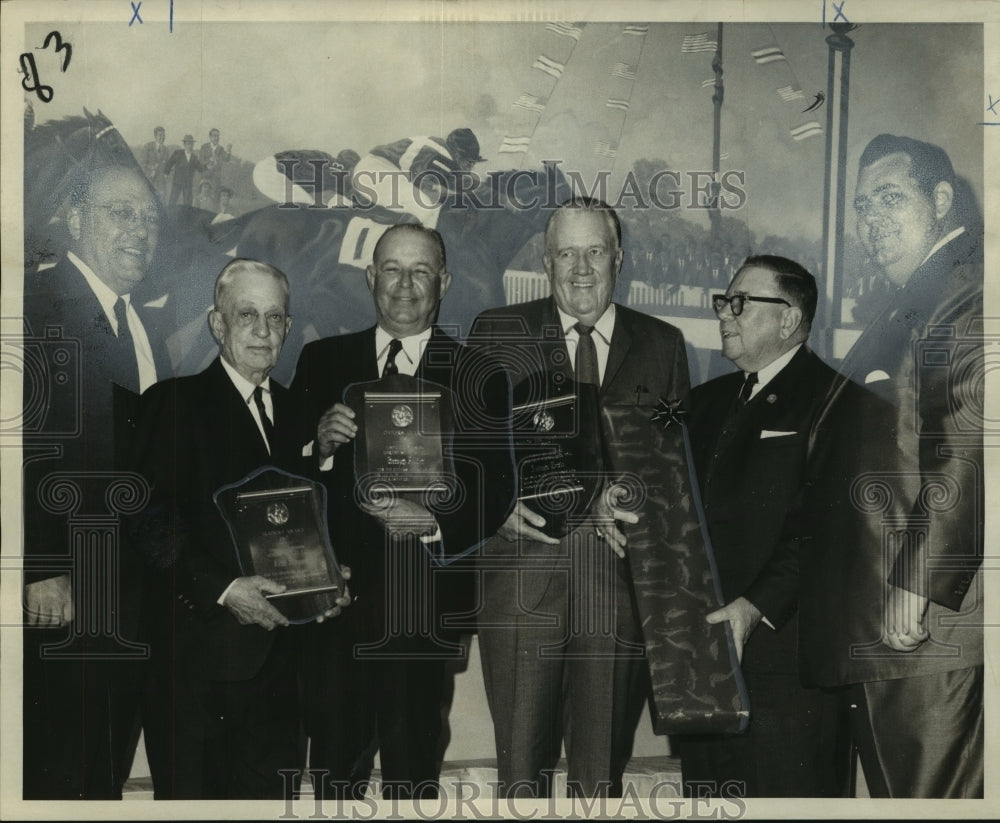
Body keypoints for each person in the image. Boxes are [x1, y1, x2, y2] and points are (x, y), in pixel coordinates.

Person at [467, 197, 691, 798]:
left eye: (595, 250)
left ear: (618, 257)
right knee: (522, 777)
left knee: (599, 774)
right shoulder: (497, 332)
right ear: (546, 260)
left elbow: (672, 468)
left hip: (617, 584)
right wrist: (494, 505)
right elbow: (468, 456)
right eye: (567, 252)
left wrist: (629, 495)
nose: (582, 267)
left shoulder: (663, 344)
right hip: (522, 579)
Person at [291, 223, 515, 799]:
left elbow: (497, 483)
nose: (405, 284)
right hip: (337, 604)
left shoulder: (478, 373)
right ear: (370, 277)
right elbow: (284, 481)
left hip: (427, 604)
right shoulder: (321, 361)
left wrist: (436, 521)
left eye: (420, 271)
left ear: (443, 282)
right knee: (334, 773)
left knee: (413, 772)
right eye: (392, 268)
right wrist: (318, 447)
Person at [797, 135, 983, 797]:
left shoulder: (960, 293)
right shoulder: (907, 300)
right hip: (888, 628)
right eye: (862, 203)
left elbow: (965, 441)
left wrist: (916, 580)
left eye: (891, 197)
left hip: (921, 625)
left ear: (940, 200)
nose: (872, 216)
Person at [130, 258, 350, 799]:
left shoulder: (299, 412)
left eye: (275, 317)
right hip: (197, 670)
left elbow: (308, 519)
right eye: (246, 314)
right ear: (216, 324)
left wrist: (328, 577)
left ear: (287, 328)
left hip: (281, 672)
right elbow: (150, 524)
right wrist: (226, 590)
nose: (261, 330)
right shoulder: (172, 402)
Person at [21, 163, 172, 799]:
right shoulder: (34, 305)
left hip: (133, 596)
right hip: (69, 589)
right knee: (61, 768)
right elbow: (15, 445)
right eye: (121, 212)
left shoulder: (144, 325)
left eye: (149, 219)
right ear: (77, 220)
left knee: (103, 767)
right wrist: (41, 565)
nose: (141, 230)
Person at [672, 256, 846, 797]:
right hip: (704, 664)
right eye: (724, 302)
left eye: (741, 303)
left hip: (786, 673)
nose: (726, 314)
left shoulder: (837, 401)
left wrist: (754, 607)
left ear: (789, 319)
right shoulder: (704, 402)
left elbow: (825, 529)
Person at [350, 127, 487, 228]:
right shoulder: (442, 156)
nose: (470, 167)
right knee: (424, 206)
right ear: (457, 154)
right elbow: (428, 189)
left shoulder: (443, 151)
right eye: (468, 162)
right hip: (377, 170)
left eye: (473, 163)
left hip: (386, 169)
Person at [164, 134, 203, 207]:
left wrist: (208, 165)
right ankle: (169, 215)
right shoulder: (178, 153)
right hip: (177, 182)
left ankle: (187, 217)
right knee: (172, 201)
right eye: (188, 144)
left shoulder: (194, 157)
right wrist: (166, 173)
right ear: (184, 144)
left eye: (191, 144)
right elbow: (170, 162)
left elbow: (200, 168)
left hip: (188, 184)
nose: (190, 146)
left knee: (188, 203)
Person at [200, 127, 232, 206]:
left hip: (216, 178)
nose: (216, 138)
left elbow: (226, 159)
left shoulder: (221, 149)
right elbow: (200, 161)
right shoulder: (204, 147)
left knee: (215, 197)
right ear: (210, 137)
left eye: (218, 136)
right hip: (206, 176)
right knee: (204, 196)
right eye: (214, 136)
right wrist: (209, 161)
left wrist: (228, 150)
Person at [142, 125, 170, 199]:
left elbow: (168, 166)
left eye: (164, 135)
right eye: (160, 135)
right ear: (155, 136)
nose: (162, 137)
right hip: (150, 179)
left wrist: (166, 174)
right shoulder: (148, 147)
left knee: (161, 200)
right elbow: (143, 164)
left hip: (161, 183)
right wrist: (151, 169)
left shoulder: (166, 150)